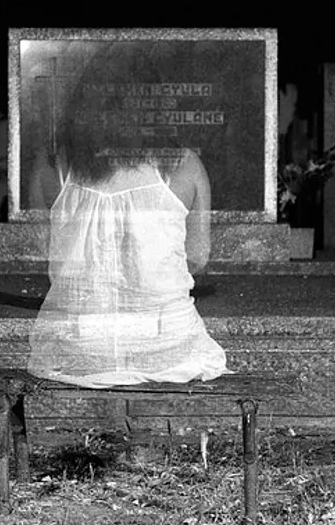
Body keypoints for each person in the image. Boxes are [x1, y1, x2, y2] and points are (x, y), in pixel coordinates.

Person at [26, 43, 229, 388]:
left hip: (77, 348)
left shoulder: (52, 164)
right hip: (167, 346)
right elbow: (197, 256)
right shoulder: (184, 165)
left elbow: (41, 251)